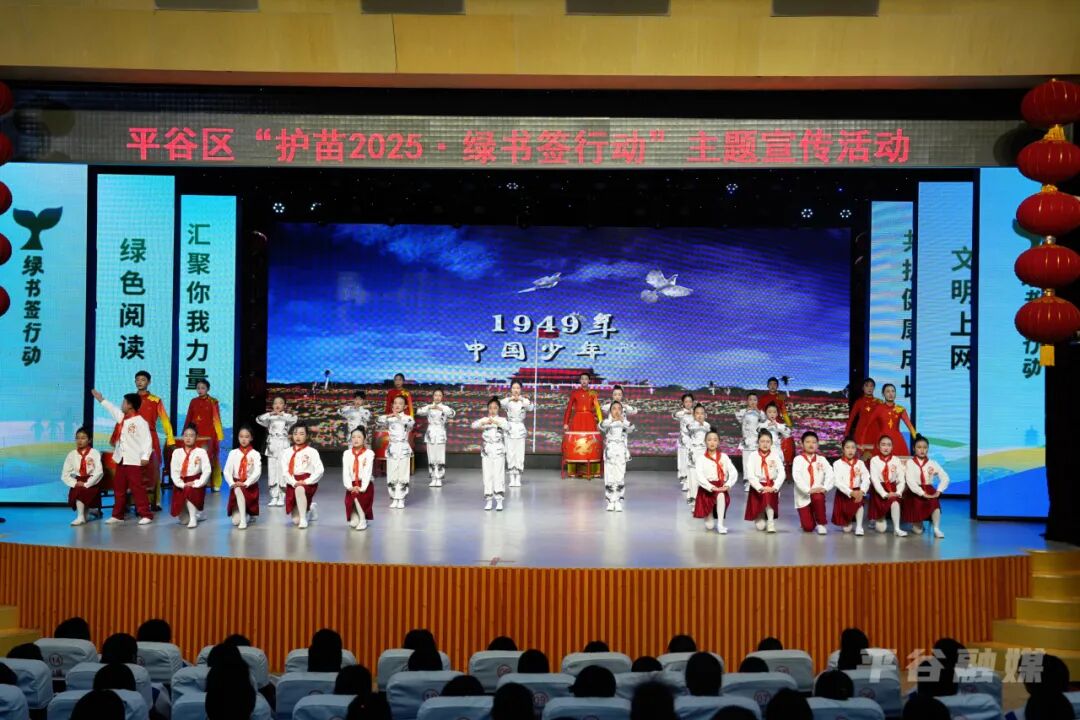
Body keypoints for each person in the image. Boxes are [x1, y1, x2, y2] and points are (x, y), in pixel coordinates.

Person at [91, 389, 154, 525]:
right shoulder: (122, 418)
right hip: (121, 459)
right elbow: (112, 409)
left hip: (134, 460)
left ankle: (146, 514)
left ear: (130, 405)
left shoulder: (140, 422)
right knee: (119, 489)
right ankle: (117, 515)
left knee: (138, 489)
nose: (121, 405)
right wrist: (101, 399)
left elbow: (147, 441)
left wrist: (145, 456)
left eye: (124, 402)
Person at [132, 370, 174, 509]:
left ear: (149, 382)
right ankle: (132, 501)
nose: (140, 382)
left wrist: (170, 439)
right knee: (133, 468)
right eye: (137, 379)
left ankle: (156, 501)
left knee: (154, 467)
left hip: (150, 437)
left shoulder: (156, 400)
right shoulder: (131, 399)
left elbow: (165, 420)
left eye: (143, 380)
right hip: (134, 438)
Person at [902, 435, 949, 538]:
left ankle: (936, 529)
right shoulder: (910, 463)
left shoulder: (933, 463)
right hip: (914, 492)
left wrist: (939, 490)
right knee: (918, 531)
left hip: (929, 489)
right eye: (919, 447)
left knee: (935, 502)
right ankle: (917, 524)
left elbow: (945, 477)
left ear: (928, 449)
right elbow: (910, 481)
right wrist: (923, 494)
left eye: (925, 447)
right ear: (914, 449)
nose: (922, 450)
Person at [692, 430, 738, 534]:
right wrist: (711, 487)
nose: (712, 442)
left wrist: (727, 485)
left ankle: (720, 524)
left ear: (718, 442)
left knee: (720, 494)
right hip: (706, 490)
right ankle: (710, 511)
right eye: (709, 440)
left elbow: (733, 472)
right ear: (705, 442)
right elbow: (699, 476)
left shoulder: (724, 457)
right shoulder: (701, 459)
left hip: (720, 486)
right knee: (709, 526)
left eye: (715, 440)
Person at [182, 378, 224, 491]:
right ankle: (196, 481)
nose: (200, 390)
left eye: (203, 388)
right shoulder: (193, 401)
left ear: (208, 389)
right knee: (195, 458)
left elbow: (217, 419)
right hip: (196, 434)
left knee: (213, 457)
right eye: (198, 388)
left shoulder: (213, 401)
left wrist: (219, 435)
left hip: (210, 434)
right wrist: (185, 432)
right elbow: (189, 417)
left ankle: (216, 483)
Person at [256, 396, 297, 507]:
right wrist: (270, 414)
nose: (277, 405)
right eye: (275, 403)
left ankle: (282, 496)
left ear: (284, 405)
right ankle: (274, 496)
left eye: (280, 403)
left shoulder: (287, 418)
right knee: (272, 470)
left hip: (283, 445)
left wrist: (281, 415)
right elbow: (258, 419)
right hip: (272, 446)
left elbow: (294, 419)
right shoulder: (270, 418)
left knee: (282, 470)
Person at [792, 431, 835, 535]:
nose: (811, 444)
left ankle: (821, 523)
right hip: (803, 495)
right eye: (807, 442)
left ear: (817, 444)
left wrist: (825, 488)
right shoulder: (798, 459)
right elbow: (797, 477)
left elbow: (830, 474)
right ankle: (809, 517)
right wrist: (808, 490)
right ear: (802, 444)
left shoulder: (822, 459)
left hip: (817, 492)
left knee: (818, 497)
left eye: (814, 442)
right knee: (808, 528)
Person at [562, 372, 604, 479]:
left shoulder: (593, 393)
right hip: (577, 420)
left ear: (589, 381)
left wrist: (600, 422)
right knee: (575, 443)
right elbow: (569, 409)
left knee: (592, 443)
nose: (584, 381)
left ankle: (594, 471)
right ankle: (573, 471)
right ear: (580, 381)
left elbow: (598, 408)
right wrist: (566, 423)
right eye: (582, 379)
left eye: (586, 379)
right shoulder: (575, 393)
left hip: (590, 420)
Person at [282, 422, 323, 529]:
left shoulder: (312, 451)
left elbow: (320, 470)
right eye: (295, 434)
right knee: (296, 520)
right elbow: (285, 472)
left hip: (307, 482)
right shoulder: (286, 452)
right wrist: (294, 482)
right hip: (293, 482)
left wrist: (306, 481)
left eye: (301, 434)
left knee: (300, 489)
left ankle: (304, 518)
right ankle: (310, 509)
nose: (298, 436)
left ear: (307, 436)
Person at [377, 395, 415, 509]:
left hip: (403, 448)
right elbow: (378, 421)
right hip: (392, 448)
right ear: (392, 405)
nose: (397, 405)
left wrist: (398, 417)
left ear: (405, 406)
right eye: (395, 403)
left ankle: (401, 498)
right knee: (392, 473)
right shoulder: (389, 419)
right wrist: (390, 415)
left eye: (400, 403)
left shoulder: (408, 418)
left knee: (402, 474)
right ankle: (394, 497)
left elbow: (411, 424)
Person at [472, 398, 510, 511]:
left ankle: (499, 500)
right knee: (487, 475)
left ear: (498, 409)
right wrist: (483, 422)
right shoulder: (485, 419)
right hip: (487, 450)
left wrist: (496, 422)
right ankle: (488, 500)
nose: (492, 410)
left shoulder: (502, 420)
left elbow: (508, 427)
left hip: (498, 449)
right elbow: (473, 425)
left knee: (498, 475)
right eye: (490, 408)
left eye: (495, 408)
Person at [170, 424, 211, 529]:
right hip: (181, 484)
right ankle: (197, 515)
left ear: (196, 437)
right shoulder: (177, 452)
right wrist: (182, 484)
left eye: (191, 435)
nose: (188, 438)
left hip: (195, 483)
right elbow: (174, 472)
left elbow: (207, 470)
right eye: (186, 435)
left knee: (189, 489)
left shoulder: (201, 452)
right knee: (184, 521)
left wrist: (197, 483)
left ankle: (193, 518)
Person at [744, 429, 785, 533]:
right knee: (760, 527)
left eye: (768, 441)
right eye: (762, 441)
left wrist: (775, 487)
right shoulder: (753, 456)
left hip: (771, 485)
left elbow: (782, 473)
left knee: (768, 494)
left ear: (771, 443)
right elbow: (751, 475)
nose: (765, 444)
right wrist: (760, 487)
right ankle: (761, 512)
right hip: (758, 487)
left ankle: (771, 522)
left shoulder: (775, 456)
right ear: (758, 442)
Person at [61, 426, 103, 526]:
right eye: (77, 438)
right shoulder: (72, 454)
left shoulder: (94, 453)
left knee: (82, 490)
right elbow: (65, 474)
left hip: (92, 481)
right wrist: (75, 483)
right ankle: (85, 514)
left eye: (83, 438)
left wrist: (87, 484)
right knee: (78, 489)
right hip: (79, 480)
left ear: (89, 440)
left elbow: (99, 472)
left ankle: (81, 517)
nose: (79, 441)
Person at [223, 425, 261, 530]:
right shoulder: (233, 453)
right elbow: (227, 471)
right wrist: (232, 483)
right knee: (235, 521)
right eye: (241, 436)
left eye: (246, 437)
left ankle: (244, 519)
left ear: (251, 438)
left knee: (239, 488)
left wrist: (246, 483)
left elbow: (257, 472)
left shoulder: (255, 454)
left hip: (249, 487)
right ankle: (245, 515)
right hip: (236, 485)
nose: (243, 439)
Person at [599, 401, 635, 512]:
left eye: (619, 408)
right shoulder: (607, 422)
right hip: (610, 450)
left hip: (621, 450)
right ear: (610, 411)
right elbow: (601, 425)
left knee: (620, 475)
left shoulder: (624, 422)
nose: (616, 411)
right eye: (614, 408)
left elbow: (632, 428)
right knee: (609, 476)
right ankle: (610, 500)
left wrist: (622, 420)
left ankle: (618, 500)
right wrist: (612, 420)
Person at [869, 435, 907, 537]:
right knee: (881, 530)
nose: (886, 447)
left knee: (895, 501)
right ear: (878, 446)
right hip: (879, 491)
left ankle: (897, 529)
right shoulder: (874, 460)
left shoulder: (896, 460)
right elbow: (875, 480)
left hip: (892, 489)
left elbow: (901, 479)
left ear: (892, 447)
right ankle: (877, 518)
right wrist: (884, 494)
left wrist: (898, 492)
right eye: (883, 445)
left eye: (889, 445)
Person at [417, 389, 455, 488]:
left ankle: (439, 478)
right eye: (435, 395)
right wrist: (430, 407)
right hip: (430, 433)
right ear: (433, 396)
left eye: (439, 395)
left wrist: (441, 409)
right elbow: (419, 411)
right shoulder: (429, 407)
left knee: (440, 456)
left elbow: (452, 413)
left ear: (442, 397)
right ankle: (433, 477)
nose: (437, 397)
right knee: (431, 457)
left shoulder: (444, 407)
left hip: (440, 432)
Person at [832, 438, 870, 536]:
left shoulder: (860, 463)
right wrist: (850, 492)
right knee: (847, 530)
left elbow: (866, 478)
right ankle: (848, 520)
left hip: (857, 491)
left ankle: (859, 526)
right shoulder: (837, 464)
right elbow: (837, 481)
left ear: (856, 449)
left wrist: (862, 491)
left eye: (853, 448)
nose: (850, 450)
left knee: (859, 502)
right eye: (847, 447)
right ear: (843, 449)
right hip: (844, 493)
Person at [867, 383, 917, 456]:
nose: (891, 394)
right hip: (882, 441)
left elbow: (910, 426)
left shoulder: (900, 409)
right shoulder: (878, 408)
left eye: (893, 391)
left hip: (897, 441)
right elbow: (867, 426)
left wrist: (917, 439)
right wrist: (862, 442)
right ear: (883, 394)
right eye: (888, 391)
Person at [500, 381, 532, 488]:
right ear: (511, 389)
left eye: (518, 388)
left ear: (521, 389)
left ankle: (518, 478)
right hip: (509, 428)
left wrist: (521, 399)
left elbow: (530, 407)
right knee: (510, 453)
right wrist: (510, 398)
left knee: (519, 454)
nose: (516, 390)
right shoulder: (507, 401)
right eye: (514, 388)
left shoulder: (524, 401)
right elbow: (499, 404)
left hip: (520, 428)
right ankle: (511, 478)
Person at [343, 428, 375, 531]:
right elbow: (346, 472)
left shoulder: (369, 453)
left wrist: (362, 488)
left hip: (365, 485)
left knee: (356, 495)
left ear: (364, 439)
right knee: (353, 523)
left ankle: (362, 519)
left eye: (359, 437)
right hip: (352, 485)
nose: (356, 439)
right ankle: (359, 516)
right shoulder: (347, 453)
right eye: (353, 437)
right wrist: (349, 486)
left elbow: (367, 472)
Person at [844, 378, 881, 459]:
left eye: (871, 386)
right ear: (863, 388)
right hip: (861, 433)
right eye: (867, 386)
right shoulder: (859, 402)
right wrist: (846, 434)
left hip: (875, 433)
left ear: (874, 388)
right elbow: (851, 419)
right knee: (861, 459)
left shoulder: (879, 402)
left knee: (875, 459)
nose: (869, 388)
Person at [735, 393, 765, 491]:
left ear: (757, 401)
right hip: (747, 441)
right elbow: (738, 418)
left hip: (757, 441)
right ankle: (747, 482)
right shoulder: (743, 412)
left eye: (755, 400)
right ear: (747, 401)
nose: (752, 402)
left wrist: (757, 410)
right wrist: (743, 411)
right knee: (746, 462)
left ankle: (756, 481)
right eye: (750, 399)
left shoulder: (760, 412)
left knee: (756, 461)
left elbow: (764, 420)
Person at [683, 404, 711, 504]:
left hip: (704, 453)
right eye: (697, 413)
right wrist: (699, 425)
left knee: (704, 476)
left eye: (702, 413)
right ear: (694, 415)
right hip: (694, 453)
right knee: (693, 476)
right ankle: (693, 499)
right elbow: (688, 430)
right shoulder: (691, 425)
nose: (700, 415)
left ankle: (703, 500)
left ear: (705, 415)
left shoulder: (707, 425)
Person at [673, 393, 695, 491]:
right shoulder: (681, 413)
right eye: (686, 402)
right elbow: (674, 415)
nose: (688, 403)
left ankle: (693, 481)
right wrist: (686, 412)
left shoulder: (696, 412)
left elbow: (703, 417)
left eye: (690, 401)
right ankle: (685, 481)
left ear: (693, 402)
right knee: (683, 461)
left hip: (694, 441)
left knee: (693, 460)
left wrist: (694, 413)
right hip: (684, 441)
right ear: (683, 403)